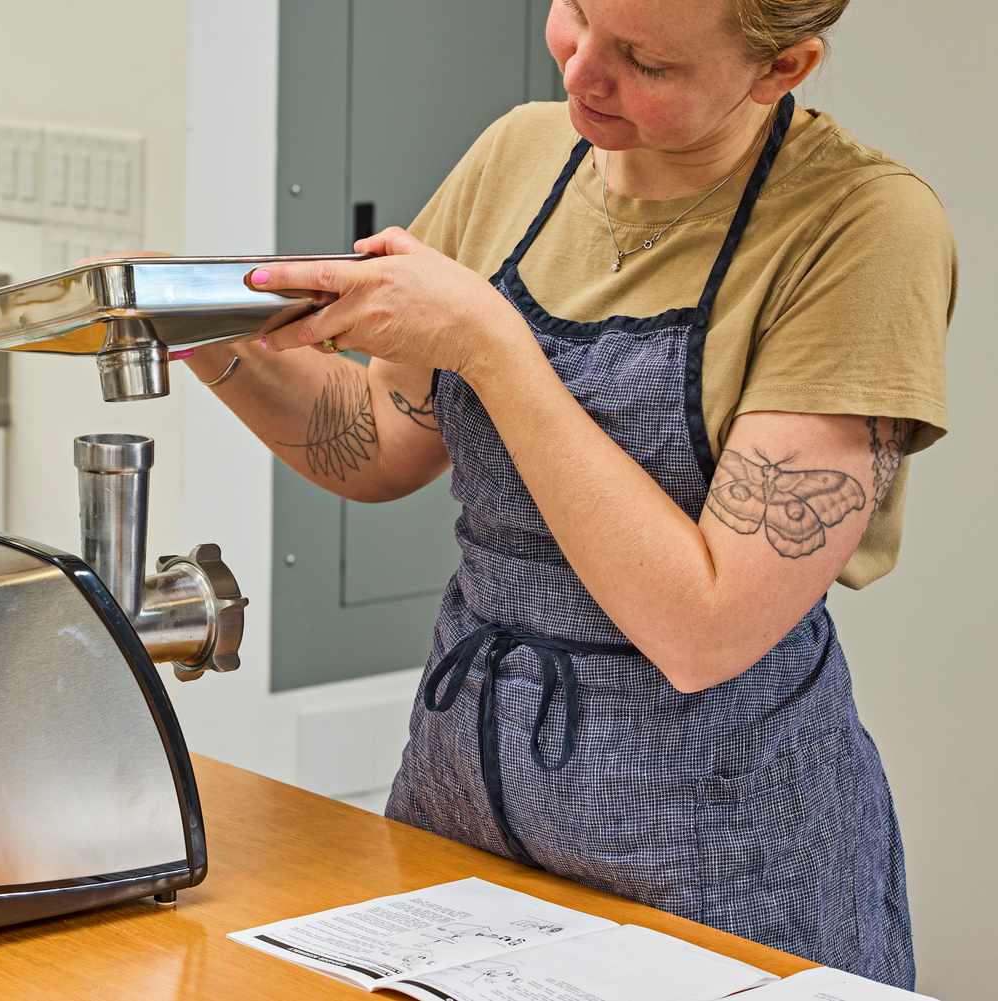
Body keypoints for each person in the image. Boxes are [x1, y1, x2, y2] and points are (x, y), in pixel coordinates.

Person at [177, 0, 955, 987]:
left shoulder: (861, 229)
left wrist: (492, 346)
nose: (582, 73)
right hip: (463, 819)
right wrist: (197, 329)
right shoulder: (519, 155)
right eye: (577, 14)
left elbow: (706, 627)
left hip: (719, 862)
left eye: (646, 62)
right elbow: (374, 443)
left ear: (781, 68)